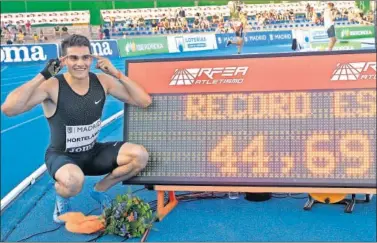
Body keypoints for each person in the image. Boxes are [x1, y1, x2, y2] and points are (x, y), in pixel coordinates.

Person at [1, 34, 152, 224]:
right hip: (62, 156)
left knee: (140, 156)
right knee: (73, 180)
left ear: (91, 58)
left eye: (85, 57)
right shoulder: (52, 85)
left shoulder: (103, 81)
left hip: (93, 152)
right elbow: (9, 109)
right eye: (73, 58)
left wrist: (117, 74)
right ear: (63, 60)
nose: (80, 63)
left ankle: (99, 190)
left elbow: (144, 101)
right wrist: (43, 74)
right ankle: (62, 199)